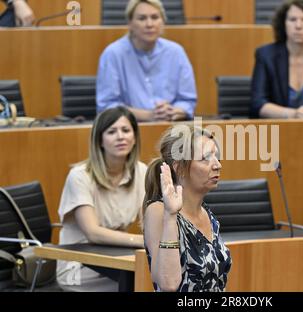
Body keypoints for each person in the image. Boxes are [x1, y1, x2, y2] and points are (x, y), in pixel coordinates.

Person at [57, 106, 147, 291]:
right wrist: (142, 241)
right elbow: (93, 233)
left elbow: (150, 221)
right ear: (100, 140)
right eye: (112, 132)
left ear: (135, 137)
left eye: (126, 130)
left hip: (118, 260)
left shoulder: (142, 171)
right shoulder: (80, 176)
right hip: (79, 266)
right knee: (142, 282)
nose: (120, 136)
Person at [141, 125, 232, 291]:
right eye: (205, 158)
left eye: (216, 157)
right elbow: (168, 284)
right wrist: (170, 215)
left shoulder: (207, 214)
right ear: (179, 168)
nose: (217, 165)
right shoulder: (158, 211)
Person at [96, 0, 196, 122]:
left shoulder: (176, 52)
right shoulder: (113, 54)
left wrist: (175, 111)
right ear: (130, 23)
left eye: (155, 17)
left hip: (171, 128)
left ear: (163, 21)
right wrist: (149, 115)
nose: (149, 24)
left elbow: (188, 100)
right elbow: (106, 106)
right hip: (129, 130)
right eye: (142, 18)